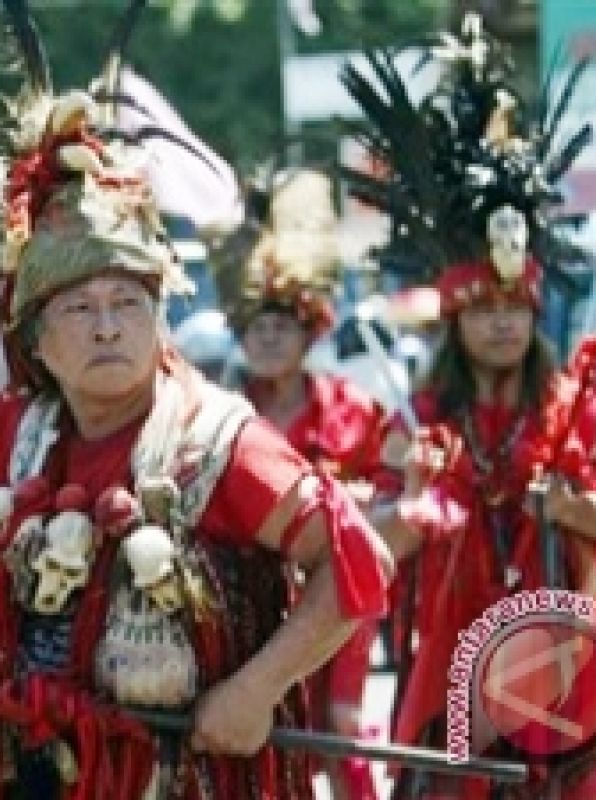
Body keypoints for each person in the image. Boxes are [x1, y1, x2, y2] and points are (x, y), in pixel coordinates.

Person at [0, 5, 394, 798]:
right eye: (79, 308)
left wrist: (255, 689)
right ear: (37, 341)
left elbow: (354, 563)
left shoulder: (217, 441)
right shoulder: (31, 432)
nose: (107, 326)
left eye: (127, 302)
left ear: (160, 315)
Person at [343, 15, 596, 798]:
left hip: (574, 651)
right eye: (484, 309)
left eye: (514, 308)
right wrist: (412, 513)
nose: (502, 323)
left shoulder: (574, 402)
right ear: (457, 319)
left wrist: (572, 506)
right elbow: (376, 536)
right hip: (457, 659)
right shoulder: (418, 420)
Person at [208, 166, 390, 800]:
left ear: (309, 331)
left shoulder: (354, 409)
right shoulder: (220, 414)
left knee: (340, 725)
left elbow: (396, 496)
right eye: (255, 326)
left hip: (334, 587)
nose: (267, 337)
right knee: (269, 731)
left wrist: (366, 502)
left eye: (281, 325)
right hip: (251, 590)